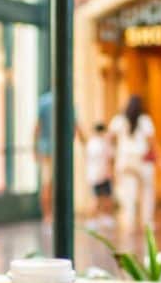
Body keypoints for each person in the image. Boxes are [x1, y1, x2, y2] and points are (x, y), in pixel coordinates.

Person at [34, 90, 87, 226]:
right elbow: (76, 126)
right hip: (62, 151)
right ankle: (60, 215)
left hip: (46, 149)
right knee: (62, 184)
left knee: (47, 184)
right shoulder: (68, 101)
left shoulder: (43, 101)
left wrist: (35, 149)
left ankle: (47, 216)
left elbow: (37, 127)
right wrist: (85, 143)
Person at [109, 95, 160, 233]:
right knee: (147, 192)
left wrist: (116, 151)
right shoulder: (145, 120)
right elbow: (152, 141)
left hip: (125, 160)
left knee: (128, 193)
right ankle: (147, 222)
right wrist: (159, 158)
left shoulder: (119, 120)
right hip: (141, 160)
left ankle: (128, 222)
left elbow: (110, 138)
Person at [85, 122, 114, 228]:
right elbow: (109, 160)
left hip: (94, 176)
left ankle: (100, 218)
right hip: (102, 175)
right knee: (103, 198)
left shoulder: (91, 143)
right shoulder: (103, 143)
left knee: (100, 198)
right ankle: (96, 218)